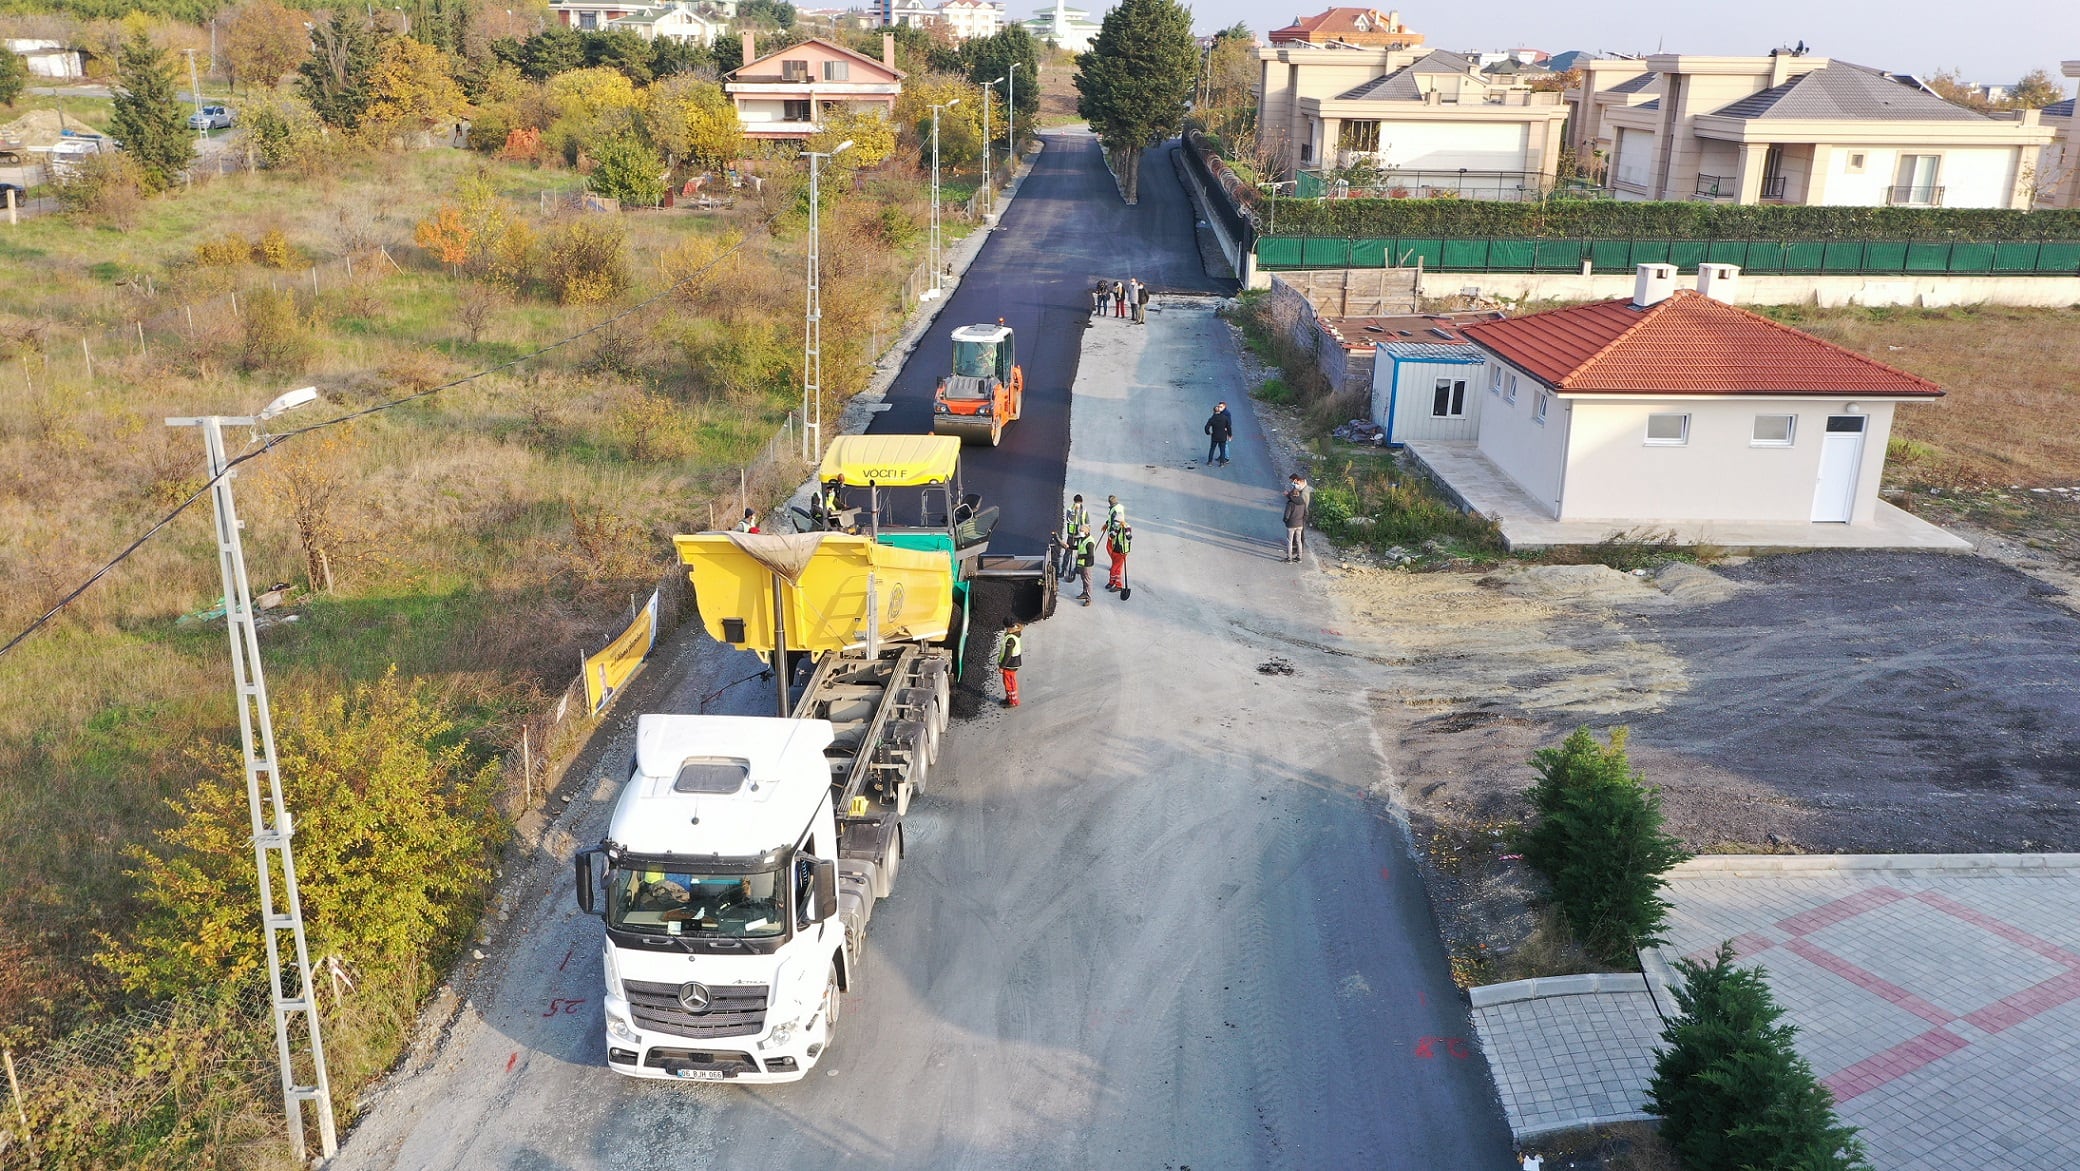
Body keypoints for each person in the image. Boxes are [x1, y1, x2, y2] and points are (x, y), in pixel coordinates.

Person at [1060, 494, 1090, 578]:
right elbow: (1069, 519)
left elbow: (1087, 521)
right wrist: (1074, 512)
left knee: (1080, 552)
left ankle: (1077, 568)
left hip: (1081, 535)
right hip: (1072, 534)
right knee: (1068, 551)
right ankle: (1063, 569)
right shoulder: (1070, 509)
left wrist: (1086, 531)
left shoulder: (1084, 510)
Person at [1283, 474, 1309, 562]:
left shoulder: (1290, 504)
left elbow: (1286, 515)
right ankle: (1299, 558)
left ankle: (1289, 558)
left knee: (1289, 541)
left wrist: (1286, 522)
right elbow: (1306, 513)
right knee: (1299, 541)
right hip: (1300, 524)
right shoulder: (1302, 503)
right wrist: (1302, 521)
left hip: (1291, 525)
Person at [999, 623, 1024, 707]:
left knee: (1009, 683)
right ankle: (1009, 698)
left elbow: (1008, 655)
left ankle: (1013, 701)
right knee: (1008, 682)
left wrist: (1002, 666)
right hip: (1012, 663)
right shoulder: (1015, 635)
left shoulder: (1010, 639)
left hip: (1010, 664)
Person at [1205, 401, 1234, 467]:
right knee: (1222, 450)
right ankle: (1222, 463)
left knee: (1212, 449)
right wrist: (1230, 435)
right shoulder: (1225, 418)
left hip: (1214, 436)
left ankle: (1209, 462)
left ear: (1213, 411)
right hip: (1223, 436)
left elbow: (1206, 427)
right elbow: (1229, 427)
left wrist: (1208, 433)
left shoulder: (1212, 419)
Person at [1073, 528, 1097, 605]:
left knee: (1087, 581)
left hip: (1087, 564)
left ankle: (1088, 598)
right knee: (1083, 579)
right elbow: (1078, 547)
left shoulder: (1090, 542)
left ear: (1087, 532)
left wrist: (1079, 556)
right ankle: (1084, 593)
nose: (1080, 533)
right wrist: (1069, 546)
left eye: (1082, 531)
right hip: (1082, 563)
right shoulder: (1082, 539)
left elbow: (1090, 555)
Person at [1105, 521, 1131, 592]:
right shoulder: (1116, 526)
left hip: (1122, 552)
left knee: (1114, 568)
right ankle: (1115, 583)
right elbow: (1111, 536)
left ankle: (1115, 583)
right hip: (1115, 550)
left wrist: (1125, 529)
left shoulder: (1127, 527)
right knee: (1117, 568)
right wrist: (1115, 528)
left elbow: (1129, 537)